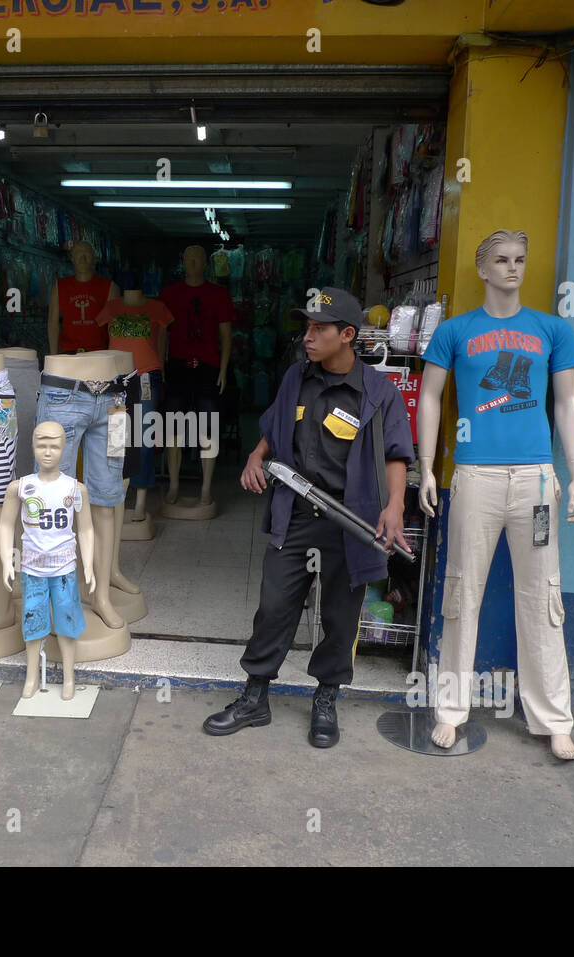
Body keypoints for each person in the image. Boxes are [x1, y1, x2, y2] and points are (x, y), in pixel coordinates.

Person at [203, 288, 414, 748]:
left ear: (348, 335)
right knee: (275, 605)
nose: (308, 337)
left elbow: (397, 456)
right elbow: (274, 427)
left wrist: (394, 507)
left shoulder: (379, 394)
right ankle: (255, 696)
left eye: (319, 329)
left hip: (351, 520)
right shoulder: (296, 378)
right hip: (296, 512)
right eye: (307, 327)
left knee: (341, 615)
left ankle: (326, 698)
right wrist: (256, 458)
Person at [159, 244, 234, 506]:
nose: (192, 262)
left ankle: (205, 488)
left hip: (209, 368)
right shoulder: (169, 294)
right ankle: (175, 485)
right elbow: (161, 335)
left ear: (205, 263)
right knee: (173, 431)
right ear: (183, 261)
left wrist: (223, 370)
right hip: (178, 366)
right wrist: (161, 367)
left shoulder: (219, 294)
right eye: (188, 258)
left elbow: (226, 336)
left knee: (208, 431)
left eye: (198, 258)